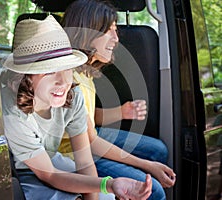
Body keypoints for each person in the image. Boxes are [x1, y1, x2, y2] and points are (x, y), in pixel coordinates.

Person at [0, 15, 152, 200]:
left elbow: (85, 162)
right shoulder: (11, 112)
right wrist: (109, 184)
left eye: (67, 68)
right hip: (20, 169)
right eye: (49, 71)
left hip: (50, 157)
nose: (64, 82)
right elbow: (49, 174)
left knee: (105, 196)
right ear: (24, 76)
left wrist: (102, 191)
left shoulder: (72, 94)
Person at [58, 0, 176, 199]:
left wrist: (123, 111)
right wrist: (147, 166)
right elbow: (90, 141)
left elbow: (90, 117)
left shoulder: (85, 72)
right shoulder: (70, 79)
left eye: (116, 30)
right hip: (73, 153)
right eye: (108, 31)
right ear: (87, 33)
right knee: (154, 190)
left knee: (158, 150)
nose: (116, 38)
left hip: (89, 138)